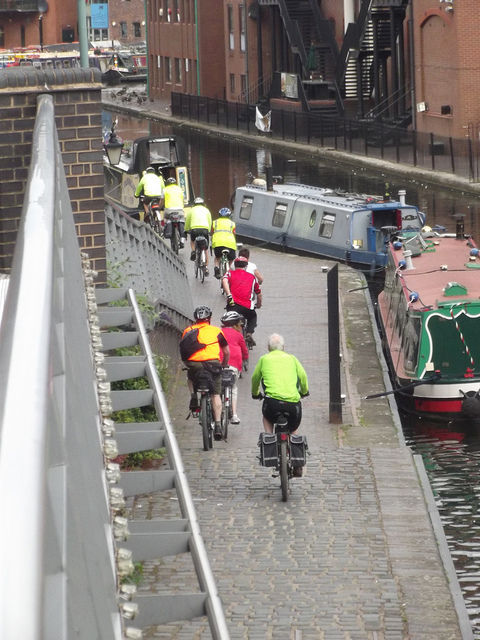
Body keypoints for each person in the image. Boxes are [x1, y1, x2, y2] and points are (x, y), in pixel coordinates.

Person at [251, 333, 309, 476]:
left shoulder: (264, 359)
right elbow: (303, 376)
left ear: (268, 347)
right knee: (293, 429)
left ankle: (269, 440)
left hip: (272, 404)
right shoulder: (292, 358)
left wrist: (255, 393)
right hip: (292, 404)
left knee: (267, 417)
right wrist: (304, 392)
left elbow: (255, 378)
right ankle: (297, 461)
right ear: (283, 347)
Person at [181, 305, 230, 441]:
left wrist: (187, 363)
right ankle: (218, 425)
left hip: (194, 364)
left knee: (190, 375)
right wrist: (223, 364)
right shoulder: (216, 331)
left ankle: (193, 396)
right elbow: (226, 352)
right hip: (213, 364)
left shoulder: (188, 331)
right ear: (210, 318)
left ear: (195, 319)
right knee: (215, 394)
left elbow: (183, 349)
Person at [222, 255, 261, 347]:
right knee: (253, 317)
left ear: (234, 265)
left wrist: (229, 295)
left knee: (231, 320)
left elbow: (224, 280)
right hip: (247, 306)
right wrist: (259, 304)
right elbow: (259, 294)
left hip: (233, 305)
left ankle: (232, 337)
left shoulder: (230, 273)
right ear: (246, 266)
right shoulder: (252, 277)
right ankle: (249, 334)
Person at [220, 311, 249, 424]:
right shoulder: (238, 335)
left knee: (218, 387)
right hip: (234, 363)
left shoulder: (219, 332)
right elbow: (244, 350)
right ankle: (234, 415)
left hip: (220, 362)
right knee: (233, 387)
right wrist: (245, 358)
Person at [184, 197, 213, 275]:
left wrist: (186, 230)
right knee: (205, 249)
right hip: (205, 230)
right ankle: (206, 268)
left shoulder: (191, 210)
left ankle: (193, 251)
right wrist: (209, 230)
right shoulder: (207, 210)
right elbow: (210, 221)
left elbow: (187, 222)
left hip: (194, 229)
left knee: (192, 241)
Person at [211, 207, 237, 278]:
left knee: (217, 257)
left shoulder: (215, 222)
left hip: (218, 244)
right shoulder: (232, 224)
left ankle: (216, 268)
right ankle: (230, 273)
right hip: (230, 244)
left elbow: (212, 232)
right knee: (231, 260)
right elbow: (234, 233)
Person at [163, 177, 186, 248]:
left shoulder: (165, 189)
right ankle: (182, 240)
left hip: (169, 210)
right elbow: (183, 199)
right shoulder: (179, 189)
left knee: (165, 217)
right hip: (179, 209)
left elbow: (162, 200)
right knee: (182, 220)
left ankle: (165, 228)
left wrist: (160, 206)